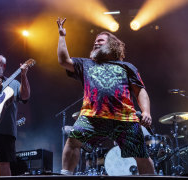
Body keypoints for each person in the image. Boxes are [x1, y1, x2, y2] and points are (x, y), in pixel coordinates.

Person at [57, 17, 155, 175]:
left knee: (141, 155)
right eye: (95, 41)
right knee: (73, 141)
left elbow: (140, 90)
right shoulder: (86, 64)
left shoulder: (127, 67)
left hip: (125, 118)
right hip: (92, 117)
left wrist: (146, 112)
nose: (96, 43)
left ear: (112, 45)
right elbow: (63, 61)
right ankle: (66, 175)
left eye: (100, 40)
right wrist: (62, 36)